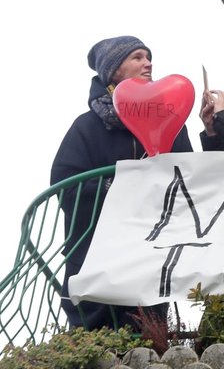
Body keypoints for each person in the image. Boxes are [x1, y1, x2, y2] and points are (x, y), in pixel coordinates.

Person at [52, 36, 193, 330]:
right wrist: (117, 188)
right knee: (94, 341)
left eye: (149, 56)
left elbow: (190, 177)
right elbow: (66, 186)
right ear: (114, 70)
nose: (148, 63)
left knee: (147, 336)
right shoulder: (86, 126)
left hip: (151, 252)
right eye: (138, 57)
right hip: (95, 254)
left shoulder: (172, 121)